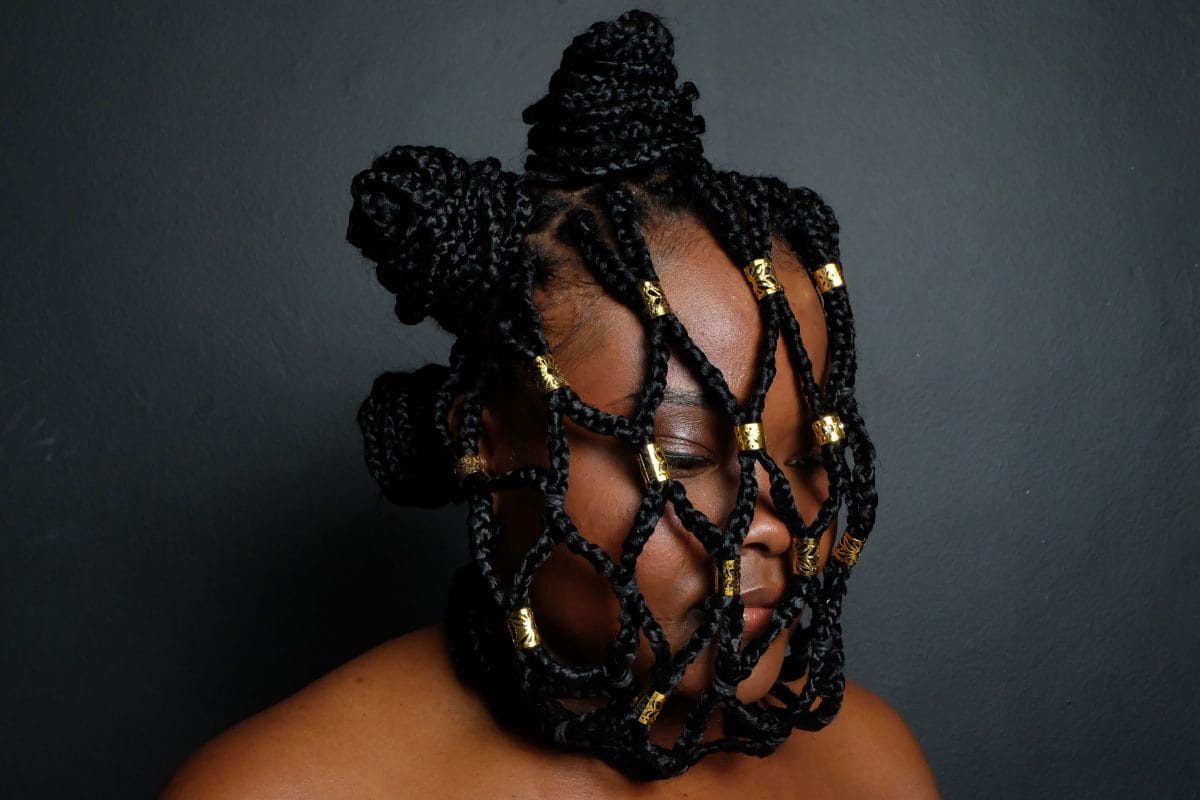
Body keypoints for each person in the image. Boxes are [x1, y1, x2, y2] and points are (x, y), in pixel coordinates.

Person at [162, 9, 938, 798]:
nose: (774, 519)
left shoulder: (870, 768)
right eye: (682, 454)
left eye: (809, 454)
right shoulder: (277, 789)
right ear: (486, 442)